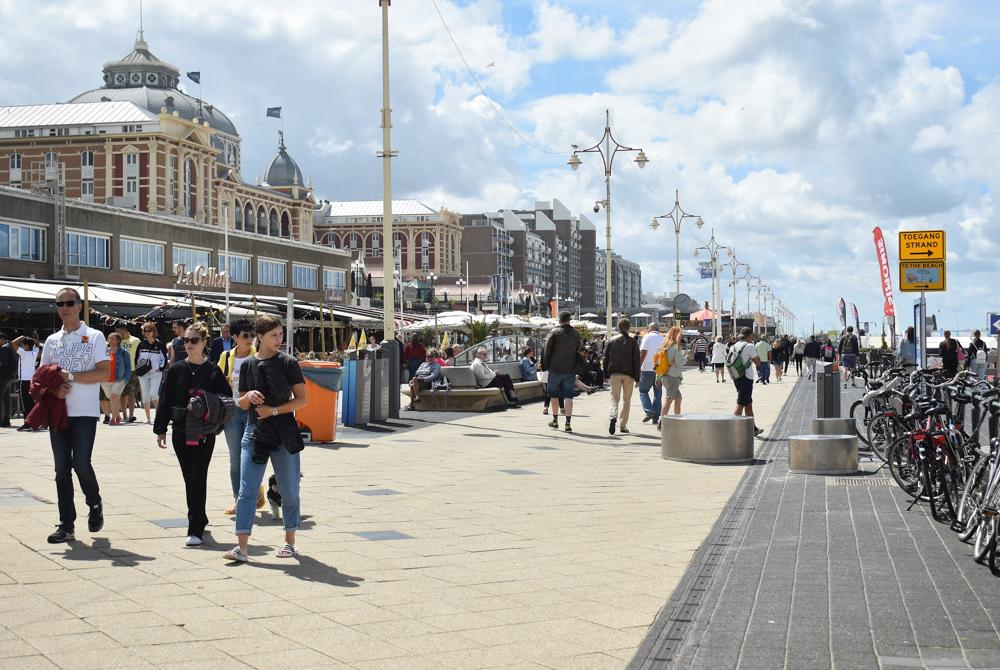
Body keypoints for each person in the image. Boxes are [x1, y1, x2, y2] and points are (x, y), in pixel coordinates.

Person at [225, 315, 308, 562]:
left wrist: (273, 410)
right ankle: (242, 547)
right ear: (259, 337)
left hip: (283, 431)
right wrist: (248, 396)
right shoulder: (248, 364)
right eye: (273, 335)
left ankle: (289, 542)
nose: (279, 340)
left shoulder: (288, 362)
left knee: (289, 489)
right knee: (247, 490)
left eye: (280, 334)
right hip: (254, 432)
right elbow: (240, 403)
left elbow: (302, 400)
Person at [40, 287, 111, 543]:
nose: (65, 307)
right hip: (58, 412)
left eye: (69, 302)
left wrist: (70, 377)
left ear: (80, 306)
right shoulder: (52, 340)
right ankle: (66, 525)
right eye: (60, 304)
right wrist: (55, 388)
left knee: (81, 463)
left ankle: (94, 503)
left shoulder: (94, 336)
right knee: (61, 470)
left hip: (85, 412)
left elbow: (103, 372)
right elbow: (42, 377)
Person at [154, 321, 232, 547]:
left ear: (204, 342)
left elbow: (226, 400)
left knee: (199, 477)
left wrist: (203, 403)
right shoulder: (176, 369)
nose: (188, 344)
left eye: (193, 340)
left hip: (204, 432)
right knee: (190, 478)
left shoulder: (213, 370)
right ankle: (200, 516)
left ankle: (195, 526)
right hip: (180, 430)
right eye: (185, 340)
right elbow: (166, 400)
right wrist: (160, 428)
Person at [218, 320, 259, 515]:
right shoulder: (226, 357)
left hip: (252, 412)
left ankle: (251, 492)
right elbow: (218, 382)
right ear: (234, 337)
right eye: (245, 336)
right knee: (235, 458)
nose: (250, 339)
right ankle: (238, 499)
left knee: (250, 455)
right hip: (232, 412)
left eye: (252, 335)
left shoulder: (258, 357)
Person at [541, 311, 582, 432]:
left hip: (555, 369)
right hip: (570, 369)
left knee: (553, 395)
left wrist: (545, 366)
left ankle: (555, 420)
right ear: (570, 320)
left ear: (559, 320)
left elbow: (546, 350)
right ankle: (568, 423)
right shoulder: (576, 334)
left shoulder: (554, 332)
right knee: (568, 396)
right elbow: (578, 349)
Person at [602, 318, 640, 435]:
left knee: (614, 399)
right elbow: (636, 361)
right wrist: (637, 378)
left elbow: (605, 358)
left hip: (614, 374)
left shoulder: (611, 340)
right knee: (626, 400)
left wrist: (605, 374)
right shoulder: (633, 341)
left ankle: (613, 416)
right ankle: (623, 426)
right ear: (629, 328)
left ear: (618, 327)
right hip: (629, 375)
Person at [729, 327, 764, 436]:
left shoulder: (734, 346)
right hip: (746, 377)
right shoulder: (749, 346)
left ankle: (752, 429)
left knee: (748, 403)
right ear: (749, 336)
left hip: (737, 376)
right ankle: (731, 429)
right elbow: (758, 362)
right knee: (741, 403)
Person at [135, 322, 168, 424]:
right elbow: (136, 358)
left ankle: (158, 416)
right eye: (145, 331)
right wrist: (138, 368)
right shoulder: (141, 344)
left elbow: (165, 358)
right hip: (143, 373)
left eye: (149, 330)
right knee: (145, 396)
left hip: (155, 372)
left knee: (154, 394)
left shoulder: (160, 345)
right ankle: (148, 418)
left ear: (154, 331)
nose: (147, 333)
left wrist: (161, 368)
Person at [100, 331, 132, 426]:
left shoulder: (124, 352)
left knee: (114, 397)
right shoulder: (104, 351)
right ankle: (117, 416)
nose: (110, 340)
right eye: (109, 338)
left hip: (119, 379)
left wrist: (125, 380)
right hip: (106, 379)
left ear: (118, 341)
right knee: (112, 398)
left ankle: (114, 418)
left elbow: (128, 368)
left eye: (112, 338)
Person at [638, 323, 664, 424]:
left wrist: (639, 366)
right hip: (659, 369)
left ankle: (649, 411)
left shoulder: (647, 337)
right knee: (658, 393)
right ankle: (656, 417)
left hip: (647, 368)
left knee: (643, 391)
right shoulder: (663, 339)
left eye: (647, 328)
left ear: (650, 328)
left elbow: (643, 352)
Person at [657, 325, 685, 420]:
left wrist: (658, 377)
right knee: (668, 399)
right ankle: (662, 421)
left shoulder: (664, 346)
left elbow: (658, 363)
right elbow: (678, 363)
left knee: (678, 398)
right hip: (673, 376)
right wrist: (686, 358)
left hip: (665, 375)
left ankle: (677, 419)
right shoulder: (676, 347)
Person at [15, 335, 41, 431]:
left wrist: (21, 337)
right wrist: (31, 340)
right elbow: (37, 344)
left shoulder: (23, 353)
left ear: (26, 346)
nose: (21, 346)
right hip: (32, 381)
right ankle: (34, 423)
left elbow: (13, 343)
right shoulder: (34, 352)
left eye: (23, 344)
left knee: (25, 403)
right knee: (31, 402)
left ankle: (27, 423)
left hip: (24, 381)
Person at [115, 324, 141, 423]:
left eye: (118, 330)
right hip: (121, 371)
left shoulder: (135, 340)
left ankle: (131, 415)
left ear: (124, 329)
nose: (118, 332)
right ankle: (124, 415)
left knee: (132, 393)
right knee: (122, 394)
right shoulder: (117, 342)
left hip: (133, 370)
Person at [0, 332, 16, 428]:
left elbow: (2, 364)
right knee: (5, 398)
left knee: (1, 398)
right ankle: (6, 420)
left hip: (4, 376)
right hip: (10, 376)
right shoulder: (10, 346)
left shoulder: (4, 348)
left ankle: (2, 419)